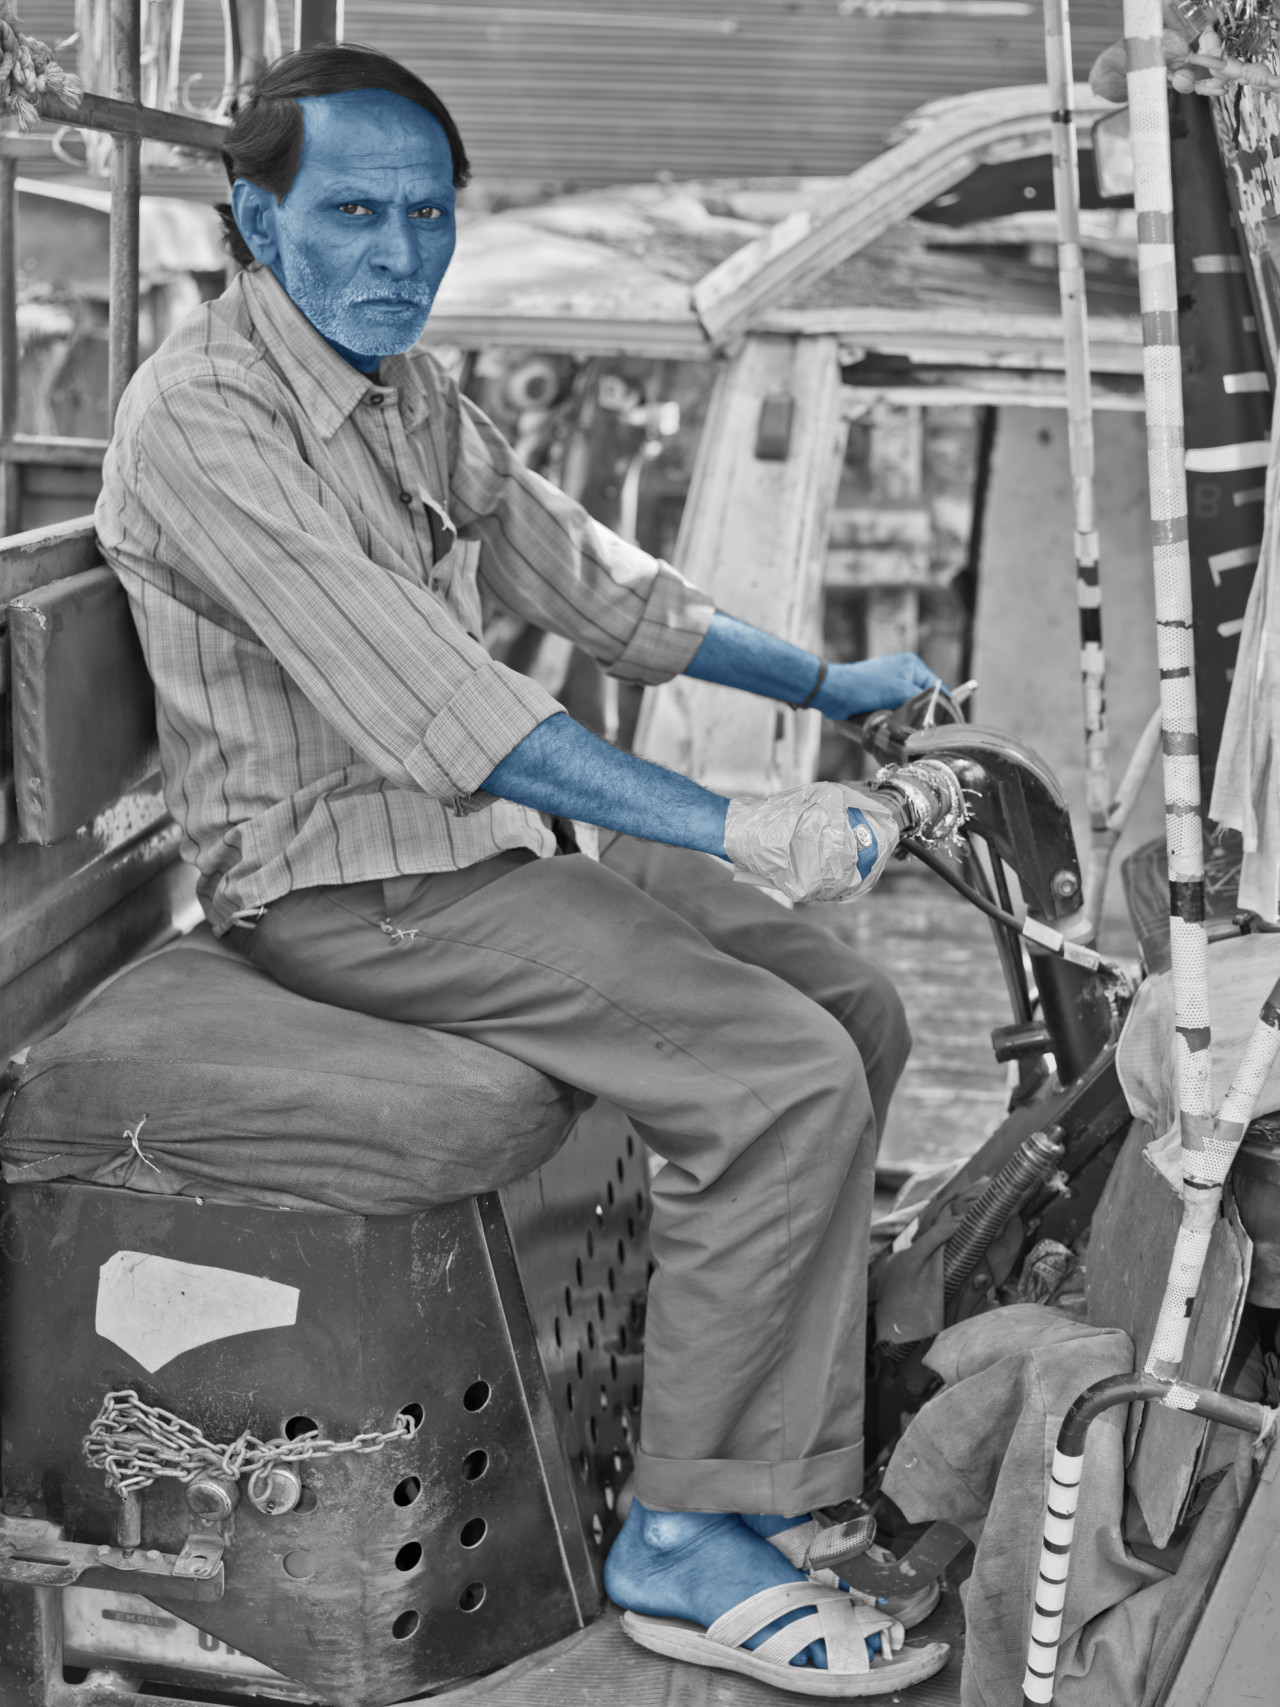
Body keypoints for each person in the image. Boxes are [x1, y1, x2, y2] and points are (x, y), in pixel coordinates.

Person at [95, 43, 949, 1696]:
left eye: (428, 214)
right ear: (256, 223)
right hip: (354, 889)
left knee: (853, 1005)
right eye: (353, 213)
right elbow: (447, 709)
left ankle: (780, 1464)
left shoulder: (407, 393)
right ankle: (689, 1538)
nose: (400, 252)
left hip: (488, 849)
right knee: (779, 1080)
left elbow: (601, 584)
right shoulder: (206, 417)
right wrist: (739, 822)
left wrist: (830, 683)